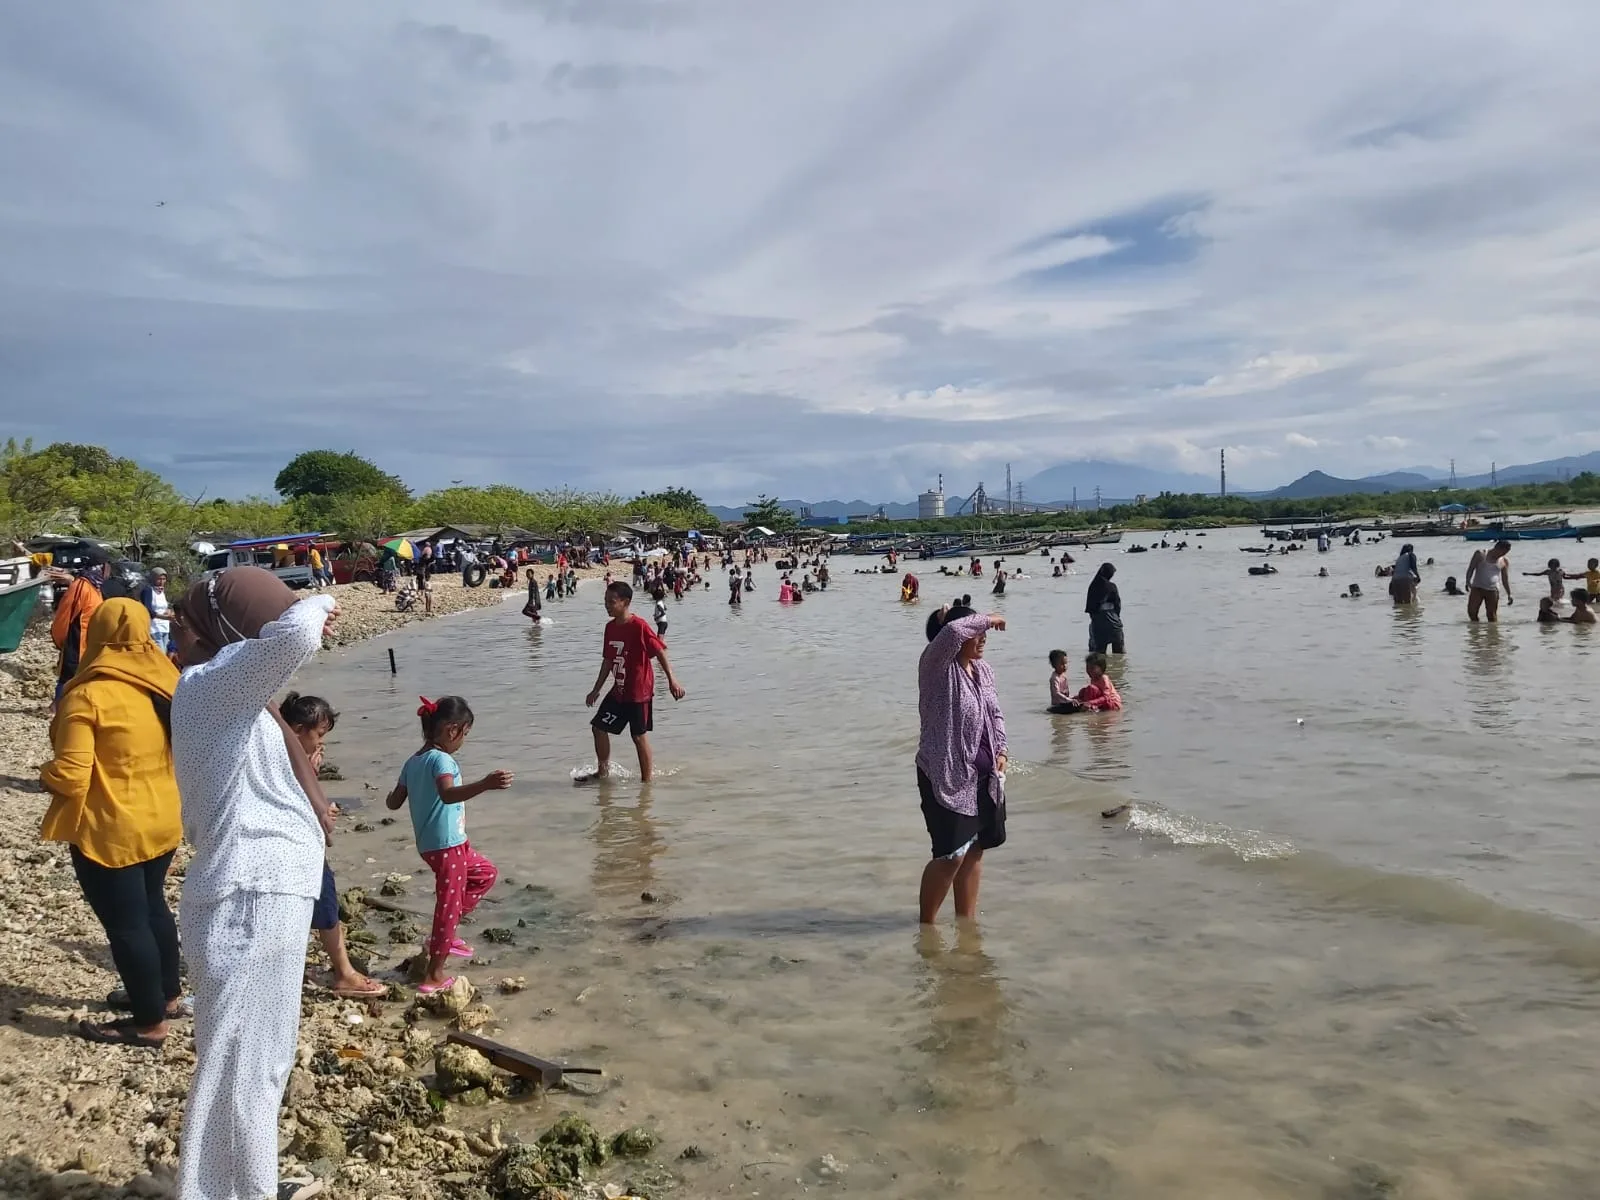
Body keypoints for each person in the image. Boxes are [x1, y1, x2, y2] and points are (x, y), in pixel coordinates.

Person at [169, 567, 339, 1200]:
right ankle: (223, 1191)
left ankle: (246, 1182)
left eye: (185, 620)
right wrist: (318, 602)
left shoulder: (229, 693)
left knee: (257, 1061)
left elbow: (286, 652)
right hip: (250, 895)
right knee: (242, 1065)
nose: (176, 630)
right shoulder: (210, 686)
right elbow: (297, 637)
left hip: (259, 893)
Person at [39, 599, 183, 1048]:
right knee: (154, 906)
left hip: (112, 828)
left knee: (126, 925)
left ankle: (149, 1023)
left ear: (97, 635)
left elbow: (71, 775)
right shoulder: (167, 682)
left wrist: (44, 774)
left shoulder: (88, 695)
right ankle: (166, 996)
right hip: (163, 819)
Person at [385, 696, 512, 993]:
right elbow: (447, 794)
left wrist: (402, 795)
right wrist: (485, 784)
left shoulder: (413, 761)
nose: (463, 741)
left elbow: (393, 802)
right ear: (452, 730)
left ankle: (446, 933)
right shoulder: (442, 760)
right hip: (446, 846)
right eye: (465, 734)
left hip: (441, 844)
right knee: (448, 903)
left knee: (485, 873)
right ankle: (434, 974)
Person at [282, 693, 385, 999]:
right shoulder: (290, 761)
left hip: (294, 845)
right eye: (319, 735)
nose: (321, 743)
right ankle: (343, 972)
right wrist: (312, 777)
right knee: (326, 907)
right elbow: (297, 799)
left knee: (300, 909)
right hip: (302, 847)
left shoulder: (278, 753)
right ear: (297, 730)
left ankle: (294, 966)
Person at [916, 604, 1007, 925]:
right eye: (977, 632)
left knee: (975, 849)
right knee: (950, 855)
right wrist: (990, 619)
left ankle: (965, 926)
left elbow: (995, 713)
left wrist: (1002, 750)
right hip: (946, 776)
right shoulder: (937, 667)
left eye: (984, 633)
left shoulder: (983, 670)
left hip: (984, 776)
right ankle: (926, 928)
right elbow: (953, 630)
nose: (983, 637)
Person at [583, 581, 687, 782]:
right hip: (619, 690)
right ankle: (602, 772)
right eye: (605, 601)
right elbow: (608, 661)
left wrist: (672, 680)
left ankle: (646, 783)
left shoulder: (639, 626)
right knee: (598, 728)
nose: (607, 605)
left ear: (625, 602)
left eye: (611, 601)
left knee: (638, 736)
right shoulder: (610, 628)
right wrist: (596, 689)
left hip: (639, 692)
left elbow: (660, 651)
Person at [51, 562, 105, 702]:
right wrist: (61, 641)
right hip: (75, 643)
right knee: (68, 678)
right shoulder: (81, 586)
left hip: (90, 644)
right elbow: (63, 616)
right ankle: (58, 706)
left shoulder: (96, 587)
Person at [1466, 541, 1513, 622]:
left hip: (1493, 590)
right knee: (1472, 612)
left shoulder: (1504, 561)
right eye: (1503, 552)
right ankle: (1476, 628)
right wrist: (1468, 581)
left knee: (1491, 615)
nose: (1503, 554)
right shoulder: (1480, 554)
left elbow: (1505, 579)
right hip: (1477, 587)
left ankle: (1492, 630)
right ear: (1496, 548)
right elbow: (1471, 568)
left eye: (1506, 553)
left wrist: (1509, 594)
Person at [1085, 563, 1124, 654]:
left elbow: (1090, 609)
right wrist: (1116, 617)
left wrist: (1096, 620)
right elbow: (1117, 605)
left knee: (1099, 654)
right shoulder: (1112, 587)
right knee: (1119, 653)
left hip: (1098, 624)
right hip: (1114, 623)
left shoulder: (1093, 587)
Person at [139, 566, 174, 652]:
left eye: (164, 579)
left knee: (165, 652)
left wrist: (169, 612)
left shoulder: (162, 591)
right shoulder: (148, 590)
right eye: (159, 579)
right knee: (161, 653)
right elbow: (148, 610)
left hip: (165, 627)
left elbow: (163, 607)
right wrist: (164, 617)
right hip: (154, 628)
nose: (162, 582)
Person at [1046, 649, 1085, 713]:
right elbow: (1057, 693)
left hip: (1065, 702)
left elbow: (1065, 693)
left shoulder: (1063, 676)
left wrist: (1074, 697)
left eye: (1066, 663)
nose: (1065, 666)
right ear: (1054, 665)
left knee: (1082, 699)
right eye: (1062, 664)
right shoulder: (1054, 678)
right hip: (1058, 705)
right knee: (1078, 706)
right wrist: (1069, 700)